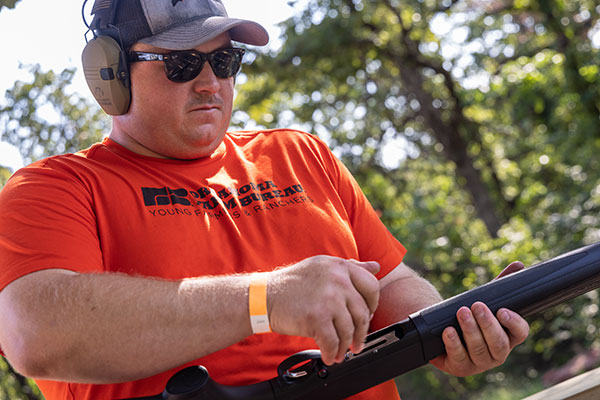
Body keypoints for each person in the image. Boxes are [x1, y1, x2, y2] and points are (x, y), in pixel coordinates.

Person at [0, 1, 530, 399]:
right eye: (182, 64)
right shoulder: (53, 190)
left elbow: (388, 285)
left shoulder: (302, 155)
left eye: (226, 60)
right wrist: (265, 300)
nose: (212, 83)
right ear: (110, 75)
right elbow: (34, 333)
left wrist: (455, 332)